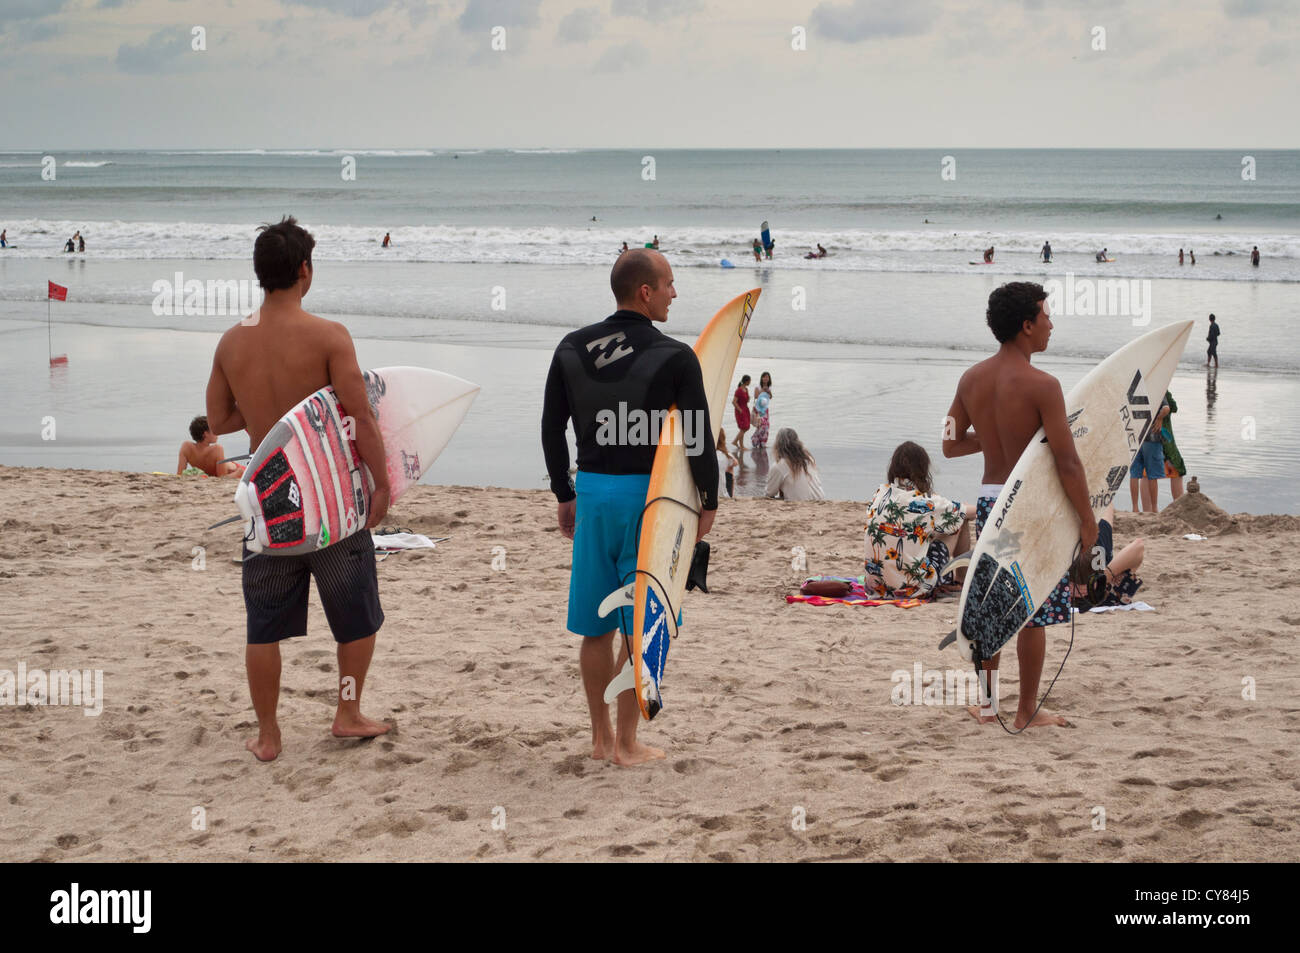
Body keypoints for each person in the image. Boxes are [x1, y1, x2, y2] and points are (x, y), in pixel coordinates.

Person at [205, 216, 392, 762]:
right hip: (330, 502)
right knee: (355, 615)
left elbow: (217, 417)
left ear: (260, 275)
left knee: (262, 626)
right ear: (305, 270)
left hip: (268, 503)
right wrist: (380, 485)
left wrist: (267, 414)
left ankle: (268, 735)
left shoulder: (232, 341)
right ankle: (347, 713)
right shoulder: (329, 336)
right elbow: (361, 419)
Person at [541, 248, 716, 767]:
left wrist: (564, 493)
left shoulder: (571, 347)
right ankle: (626, 744)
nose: (674, 293)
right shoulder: (677, 357)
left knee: (595, 627)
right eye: (668, 284)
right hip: (651, 500)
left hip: (594, 493)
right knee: (642, 624)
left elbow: (552, 427)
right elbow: (697, 435)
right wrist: (707, 501)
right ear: (645, 291)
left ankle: (598, 742)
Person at [942, 281, 1098, 729]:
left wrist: (993, 440)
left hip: (992, 500)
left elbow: (949, 444)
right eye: (1046, 316)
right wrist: (1088, 523)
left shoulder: (971, 379)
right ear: (1026, 326)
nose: (1051, 324)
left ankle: (989, 708)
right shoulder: (1044, 386)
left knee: (992, 603)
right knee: (1033, 608)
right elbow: (1067, 462)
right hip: (1031, 505)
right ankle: (1026, 710)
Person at [864, 441, 974, 599]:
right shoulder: (926, 502)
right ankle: (960, 581)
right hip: (914, 588)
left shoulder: (880, 493)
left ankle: (956, 581)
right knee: (959, 520)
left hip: (877, 587)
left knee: (937, 525)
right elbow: (967, 512)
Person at [1071, 502, 1145, 610]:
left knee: (1103, 497)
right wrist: (1106, 577)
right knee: (1105, 497)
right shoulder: (1113, 593)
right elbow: (1138, 546)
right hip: (1100, 541)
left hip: (1081, 547)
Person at [1128, 393, 1168, 512]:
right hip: (1152, 438)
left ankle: (1135, 507)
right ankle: (1154, 508)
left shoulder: (1133, 389)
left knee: (1134, 474)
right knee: (1152, 475)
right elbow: (1166, 408)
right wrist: (1160, 418)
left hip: (1135, 437)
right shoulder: (1156, 387)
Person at [765, 428, 824, 500]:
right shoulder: (809, 459)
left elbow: (769, 493)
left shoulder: (778, 466)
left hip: (800, 504)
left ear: (778, 445)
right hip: (819, 500)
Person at [176, 415, 245, 477]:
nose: (217, 433)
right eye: (213, 430)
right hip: (235, 470)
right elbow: (222, 478)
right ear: (205, 434)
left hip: (222, 469)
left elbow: (179, 474)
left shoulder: (186, 447)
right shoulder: (217, 449)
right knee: (243, 470)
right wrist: (239, 472)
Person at [1160, 389, 1186, 501]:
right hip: (1164, 434)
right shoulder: (1161, 389)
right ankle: (1178, 503)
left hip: (1144, 435)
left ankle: (1148, 509)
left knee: (1146, 472)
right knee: (1177, 467)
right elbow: (1173, 407)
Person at [751, 371, 772, 449]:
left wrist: (769, 391)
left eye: (767, 377)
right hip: (758, 409)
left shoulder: (769, 387)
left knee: (766, 426)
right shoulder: (758, 387)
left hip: (765, 409)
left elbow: (770, 397)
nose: (766, 378)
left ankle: (762, 443)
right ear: (761, 378)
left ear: (769, 379)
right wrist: (763, 390)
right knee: (761, 425)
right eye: (764, 377)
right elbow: (756, 396)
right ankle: (754, 439)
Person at [732, 374, 751, 450]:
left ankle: (741, 446)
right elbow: (734, 402)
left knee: (744, 428)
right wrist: (740, 410)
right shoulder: (739, 390)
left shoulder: (746, 389)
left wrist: (748, 398)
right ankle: (735, 441)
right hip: (740, 410)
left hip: (746, 409)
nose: (750, 382)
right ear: (746, 381)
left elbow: (746, 400)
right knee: (745, 427)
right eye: (749, 381)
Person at [717, 428, 737, 499]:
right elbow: (735, 462)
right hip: (722, 494)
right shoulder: (725, 455)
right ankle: (731, 495)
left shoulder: (708, 454)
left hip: (707, 493)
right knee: (730, 469)